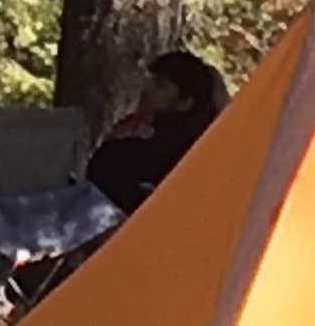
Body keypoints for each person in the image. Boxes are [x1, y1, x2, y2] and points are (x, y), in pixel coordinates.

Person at [84, 48, 225, 213]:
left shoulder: (176, 154)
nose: (147, 90)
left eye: (161, 86)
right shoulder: (135, 133)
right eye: (150, 81)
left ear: (185, 102)